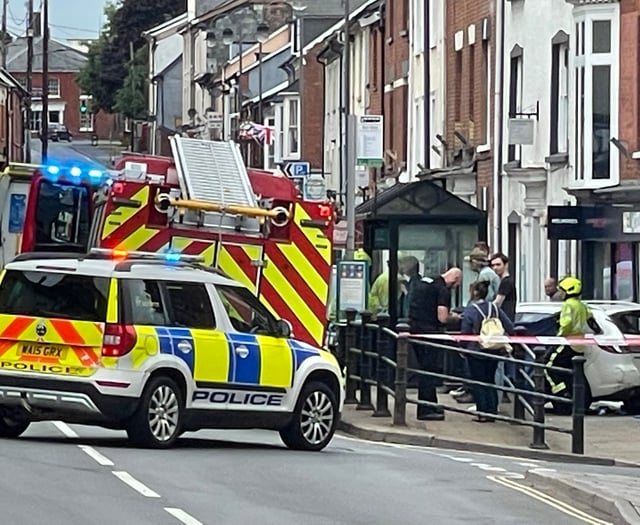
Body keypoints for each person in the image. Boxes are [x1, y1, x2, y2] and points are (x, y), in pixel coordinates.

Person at [409, 267, 462, 421]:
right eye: (457, 284)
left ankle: (429, 405)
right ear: (455, 279)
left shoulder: (426, 281)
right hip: (430, 332)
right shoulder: (443, 290)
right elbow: (442, 318)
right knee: (429, 370)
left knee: (424, 370)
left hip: (415, 328)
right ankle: (426, 409)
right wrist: (456, 318)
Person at [461, 281, 515, 422]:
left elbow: (465, 332)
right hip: (494, 350)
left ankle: (482, 412)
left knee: (478, 382)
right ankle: (492, 411)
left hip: (476, 350)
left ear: (473, 293)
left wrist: (463, 347)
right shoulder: (495, 308)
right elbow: (509, 326)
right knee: (489, 380)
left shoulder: (471, 310)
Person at [544, 276, 593, 397]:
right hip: (580, 344)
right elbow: (589, 317)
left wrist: (559, 336)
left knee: (547, 365)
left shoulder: (568, 305)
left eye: (562, 290)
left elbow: (566, 323)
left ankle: (561, 393)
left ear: (568, 291)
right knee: (571, 372)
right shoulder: (582, 305)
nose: (560, 293)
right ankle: (571, 396)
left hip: (568, 342)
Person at [490, 253, 516, 321]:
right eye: (493, 265)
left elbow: (497, 303)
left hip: (504, 321)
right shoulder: (505, 281)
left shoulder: (506, 282)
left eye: (498, 264)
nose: (495, 268)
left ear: (506, 265)